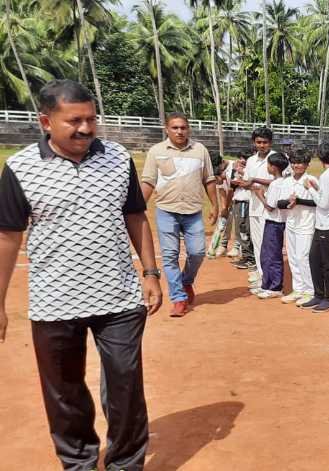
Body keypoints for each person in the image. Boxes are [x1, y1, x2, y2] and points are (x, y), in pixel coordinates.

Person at [0, 79, 162, 470]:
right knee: (64, 394)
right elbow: (7, 235)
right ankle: (78, 463)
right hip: (54, 303)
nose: (86, 129)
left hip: (119, 298)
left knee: (125, 386)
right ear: (45, 121)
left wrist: (151, 272)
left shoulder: (118, 158)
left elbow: (135, 217)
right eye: (74, 121)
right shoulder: (20, 169)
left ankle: (125, 463)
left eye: (91, 119)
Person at [140, 112, 219, 317]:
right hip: (166, 210)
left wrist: (215, 206)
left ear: (188, 129)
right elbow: (148, 181)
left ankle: (186, 281)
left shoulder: (199, 150)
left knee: (198, 252)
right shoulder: (156, 151)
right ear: (167, 129)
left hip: (193, 211)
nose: (179, 131)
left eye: (183, 127)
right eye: (175, 127)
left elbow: (209, 179)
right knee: (169, 256)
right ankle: (178, 298)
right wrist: (138, 207)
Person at [301, 143, 329, 312]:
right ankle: (319, 295)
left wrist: (310, 189)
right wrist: (317, 189)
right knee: (314, 258)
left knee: (328, 262)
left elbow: (324, 203)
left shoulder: (328, 176)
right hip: (326, 222)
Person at [239, 127, 279, 290]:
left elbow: (280, 181)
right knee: (257, 243)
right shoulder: (250, 161)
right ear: (254, 143)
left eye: (265, 142)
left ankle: (272, 280)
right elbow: (249, 182)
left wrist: (255, 181)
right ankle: (263, 276)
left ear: (270, 143)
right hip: (254, 206)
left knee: (268, 245)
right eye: (259, 142)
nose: (262, 145)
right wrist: (246, 185)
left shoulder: (277, 158)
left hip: (270, 208)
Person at [279, 153, 318, 306]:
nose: (297, 165)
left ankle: (310, 291)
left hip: (306, 225)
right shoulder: (286, 181)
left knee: (303, 257)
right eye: (294, 162)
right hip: (291, 224)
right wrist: (288, 202)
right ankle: (298, 289)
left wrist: (299, 201)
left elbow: (318, 201)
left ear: (307, 164)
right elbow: (280, 202)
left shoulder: (311, 180)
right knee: (293, 257)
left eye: (300, 162)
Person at [252, 153, 290, 299]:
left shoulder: (275, 184)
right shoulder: (284, 182)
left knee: (272, 255)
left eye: (268, 165)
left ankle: (275, 286)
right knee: (267, 254)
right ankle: (266, 285)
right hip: (277, 223)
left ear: (273, 167)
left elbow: (270, 207)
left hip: (274, 223)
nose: (267, 167)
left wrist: (259, 195)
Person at [228, 157, 255, 266]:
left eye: (244, 160)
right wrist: (236, 172)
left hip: (244, 201)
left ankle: (249, 257)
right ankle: (246, 256)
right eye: (240, 159)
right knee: (239, 230)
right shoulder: (237, 170)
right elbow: (232, 183)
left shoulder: (250, 169)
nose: (241, 162)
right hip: (238, 201)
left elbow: (249, 183)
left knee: (243, 229)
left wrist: (241, 175)